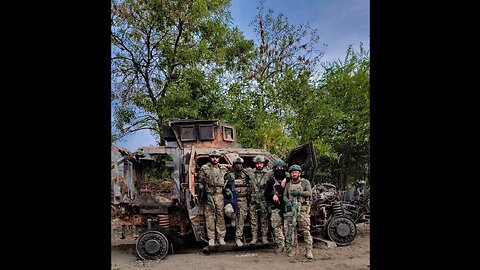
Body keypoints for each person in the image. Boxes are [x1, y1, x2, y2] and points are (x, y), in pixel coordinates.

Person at [197, 150, 230, 247]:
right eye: (213, 157)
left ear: (219, 158)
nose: (215, 159)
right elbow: (200, 181)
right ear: (210, 158)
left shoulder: (223, 168)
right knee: (210, 217)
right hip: (209, 195)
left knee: (220, 216)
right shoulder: (205, 168)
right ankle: (211, 238)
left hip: (219, 195)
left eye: (217, 157)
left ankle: (221, 237)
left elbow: (233, 172)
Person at [283, 164, 314, 259]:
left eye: (296, 172)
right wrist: (288, 202)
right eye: (292, 173)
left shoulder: (305, 182)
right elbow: (284, 196)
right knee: (292, 231)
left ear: (299, 173)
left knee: (305, 231)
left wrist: (300, 193)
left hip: (302, 211)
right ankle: (294, 249)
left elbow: (309, 192)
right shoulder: (288, 184)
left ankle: (309, 250)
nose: (294, 174)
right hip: (291, 211)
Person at [224, 157, 251, 247]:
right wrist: (227, 191)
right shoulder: (229, 175)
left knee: (241, 220)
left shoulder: (246, 174)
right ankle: (233, 217)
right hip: (231, 200)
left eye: (240, 164)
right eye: (236, 164)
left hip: (243, 199)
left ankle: (238, 238)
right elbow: (223, 186)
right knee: (229, 211)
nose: (238, 166)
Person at [245, 155, 272, 245]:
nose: (259, 165)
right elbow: (238, 168)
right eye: (257, 163)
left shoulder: (268, 173)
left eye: (261, 163)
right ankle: (254, 238)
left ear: (264, 164)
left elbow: (280, 171)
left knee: (264, 219)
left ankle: (264, 237)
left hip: (264, 199)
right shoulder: (250, 172)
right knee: (253, 219)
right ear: (255, 164)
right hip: (253, 199)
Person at [264, 159, 288, 253]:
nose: (279, 169)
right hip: (276, 207)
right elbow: (266, 194)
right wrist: (272, 196)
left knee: (288, 228)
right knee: (277, 227)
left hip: (287, 207)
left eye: (281, 168)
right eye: (278, 168)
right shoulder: (270, 181)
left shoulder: (289, 180)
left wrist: (286, 179)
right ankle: (281, 246)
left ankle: (289, 246)